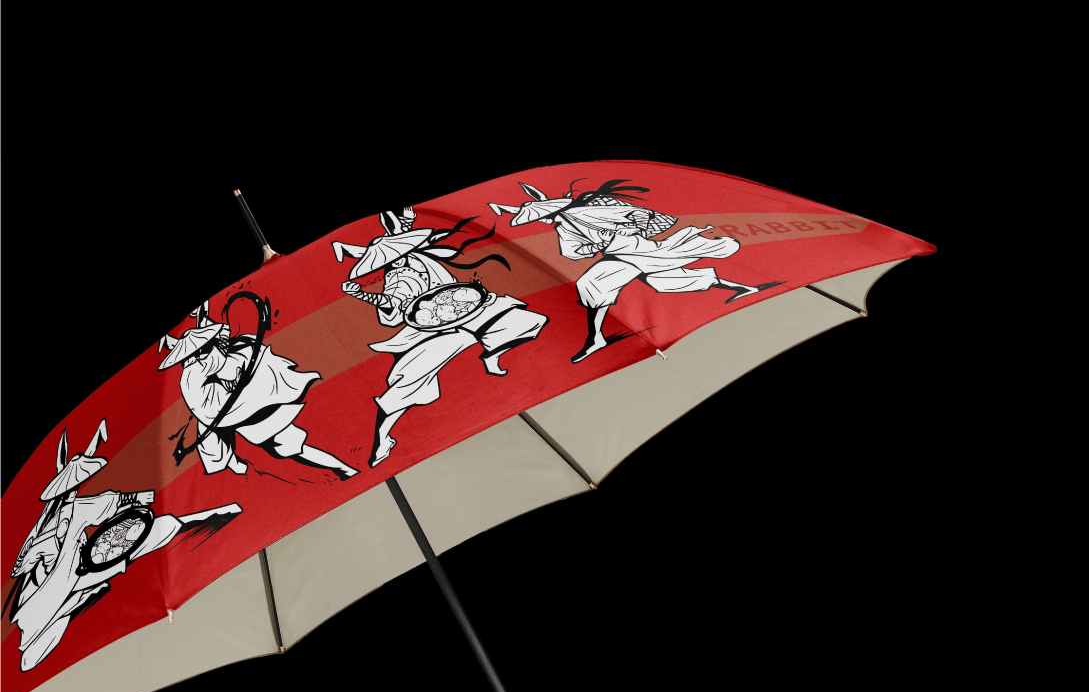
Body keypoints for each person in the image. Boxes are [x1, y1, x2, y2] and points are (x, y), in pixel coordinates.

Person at [7, 419, 242, 671]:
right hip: (63, 585)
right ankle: (217, 513)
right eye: (75, 485)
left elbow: (108, 504)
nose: (76, 489)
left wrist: (136, 498)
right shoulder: (58, 523)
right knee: (32, 652)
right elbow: (25, 564)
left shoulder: (74, 511)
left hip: (85, 566)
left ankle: (219, 513)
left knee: (158, 531)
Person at [333, 207, 547, 467]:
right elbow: (392, 302)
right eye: (398, 253)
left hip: (467, 308)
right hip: (433, 330)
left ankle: (492, 354)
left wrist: (408, 221)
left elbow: (413, 241)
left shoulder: (417, 255)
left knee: (527, 321)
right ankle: (383, 439)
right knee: (405, 385)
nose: (404, 250)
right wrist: (362, 295)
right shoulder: (398, 275)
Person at [488, 179, 777, 363]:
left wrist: (615, 233)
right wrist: (596, 243)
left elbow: (638, 218)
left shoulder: (582, 213)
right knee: (664, 280)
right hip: (621, 253)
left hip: (634, 249)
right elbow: (577, 252)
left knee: (593, 283)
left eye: (540, 216)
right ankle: (744, 288)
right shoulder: (565, 224)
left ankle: (595, 338)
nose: (540, 221)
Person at [158, 300, 358, 480]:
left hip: (262, 416)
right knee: (292, 449)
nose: (193, 360)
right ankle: (236, 466)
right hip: (248, 417)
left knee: (294, 449)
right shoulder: (210, 364)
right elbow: (216, 342)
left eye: (195, 355)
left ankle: (343, 468)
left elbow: (216, 348)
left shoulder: (224, 357)